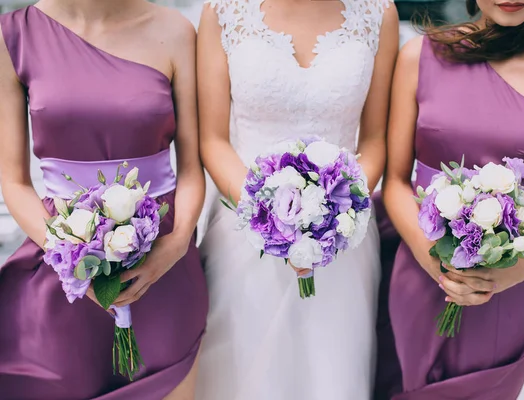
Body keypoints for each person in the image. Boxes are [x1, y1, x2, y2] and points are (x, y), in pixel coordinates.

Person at [381, 0, 524, 397]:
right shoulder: (419, 55)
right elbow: (395, 181)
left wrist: (501, 278)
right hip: (419, 272)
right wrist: (430, 255)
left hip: (508, 291)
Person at [0, 1, 208, 398]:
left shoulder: (177, 31)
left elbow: (191, 169)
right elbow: (14, 182)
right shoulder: (13, 35)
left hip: (162, 267)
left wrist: (177, 243)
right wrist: (69, 258)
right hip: (60, 268)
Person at [194, 0, 398, 398]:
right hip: (244, 230)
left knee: (331, 369)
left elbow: (373, 140)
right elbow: (212, 140)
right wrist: (267, 216)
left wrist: (339, 211)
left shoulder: (378, 13)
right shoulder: (223, 11)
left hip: (343, 237)